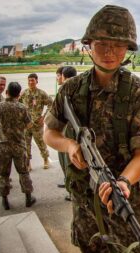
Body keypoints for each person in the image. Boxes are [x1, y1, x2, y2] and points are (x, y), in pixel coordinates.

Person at [43, 5, 140, 253]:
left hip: (123, 199)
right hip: (84, 200)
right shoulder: (70, 90)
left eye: (119, 46)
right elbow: (49, 133)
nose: (110, 52)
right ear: (88, 45)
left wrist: (124, 183)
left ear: (128, 49)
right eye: (102, 44)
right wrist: (70, 146)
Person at [0, 82, 35, 210]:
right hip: (19, 146)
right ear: (19, 94)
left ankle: (5, 200)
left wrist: (1, 131)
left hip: (3, 146)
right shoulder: (22, 107)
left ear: (6, 92)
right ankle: (28, 198)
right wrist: (18, 129)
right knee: (24, 172)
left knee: (3, 174)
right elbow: (29, 125)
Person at [20, 73, 53, 170]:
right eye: (29, 80)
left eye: (32, 80)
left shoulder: (41, 93)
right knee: (26, 144)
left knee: (41, 143)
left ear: (36, 81)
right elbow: (18, 105)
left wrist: (44, 117)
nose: (30, 82)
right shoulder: (24, 93)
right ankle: (28, 163)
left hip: (37, 124)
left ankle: (46, 159)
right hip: (26, 124)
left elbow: (51, 105)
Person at [56, 66, 77, 203]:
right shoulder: (80, 87)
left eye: (59, 75)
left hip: (67, 132)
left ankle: (72, 191)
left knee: (67, 162)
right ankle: (69, 184)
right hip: (75, 133)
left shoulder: (64, 89)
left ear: (63, 76)